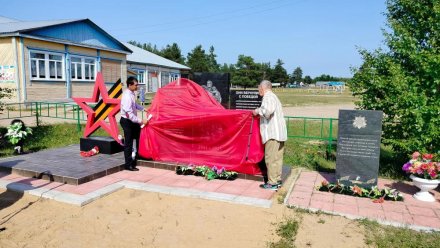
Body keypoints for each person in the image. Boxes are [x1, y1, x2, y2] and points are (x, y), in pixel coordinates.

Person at [252, 80, 287, 190]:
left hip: (272, 134)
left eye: (259, 89)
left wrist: (257, 111)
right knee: (277, 158)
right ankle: (277, 179)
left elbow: (268, 111)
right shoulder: (274, 96)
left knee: (270, 159)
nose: (258, 92)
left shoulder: (268, 96)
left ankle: (272, 183)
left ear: (262, 88)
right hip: (279, 133)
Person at [120, 77, 149, 171]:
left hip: (132, 121)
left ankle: (138, 155)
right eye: (136, 85)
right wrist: (141, 121)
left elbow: (134, 105)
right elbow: (129, 114)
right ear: (130, 85)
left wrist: (143, 109)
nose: (137, 86)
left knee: (139, 136)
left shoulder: (132, 93)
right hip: (127, 121)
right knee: (128, 143)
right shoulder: (126, 97)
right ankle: (128, 165)